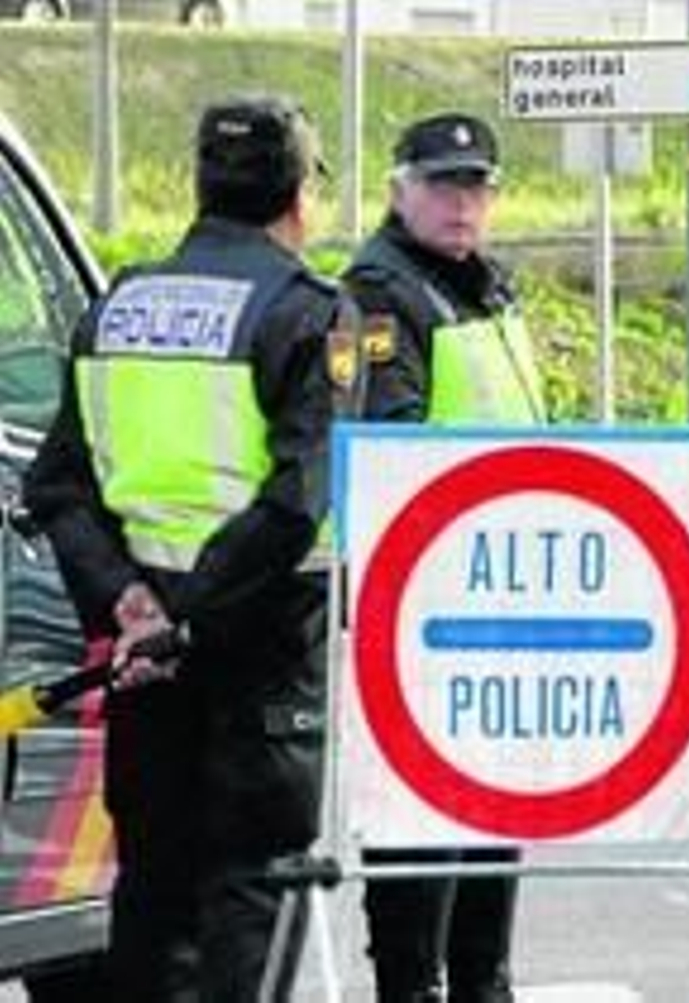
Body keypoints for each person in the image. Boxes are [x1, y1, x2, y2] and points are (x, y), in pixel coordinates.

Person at [23, 95, 337, 1000]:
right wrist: (186, 617)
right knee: (251, 891)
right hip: (260, 658)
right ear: (296, 199)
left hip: (140, 663)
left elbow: (58, 486)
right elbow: (299, 501)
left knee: (152, 893)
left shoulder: (120, 305)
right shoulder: (308, 312)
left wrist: (130, 603)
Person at [343, 111, 542, 1003]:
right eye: (442, 185)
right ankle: (414, 985)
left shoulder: (487, 290)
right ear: (400, 190)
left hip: (498, 588)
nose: (462, 203)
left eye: (476, 186)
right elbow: (390, 446)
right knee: (422, 812)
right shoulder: (381, 297)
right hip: (423, 597)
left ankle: (481, 979)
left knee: (492, 807)